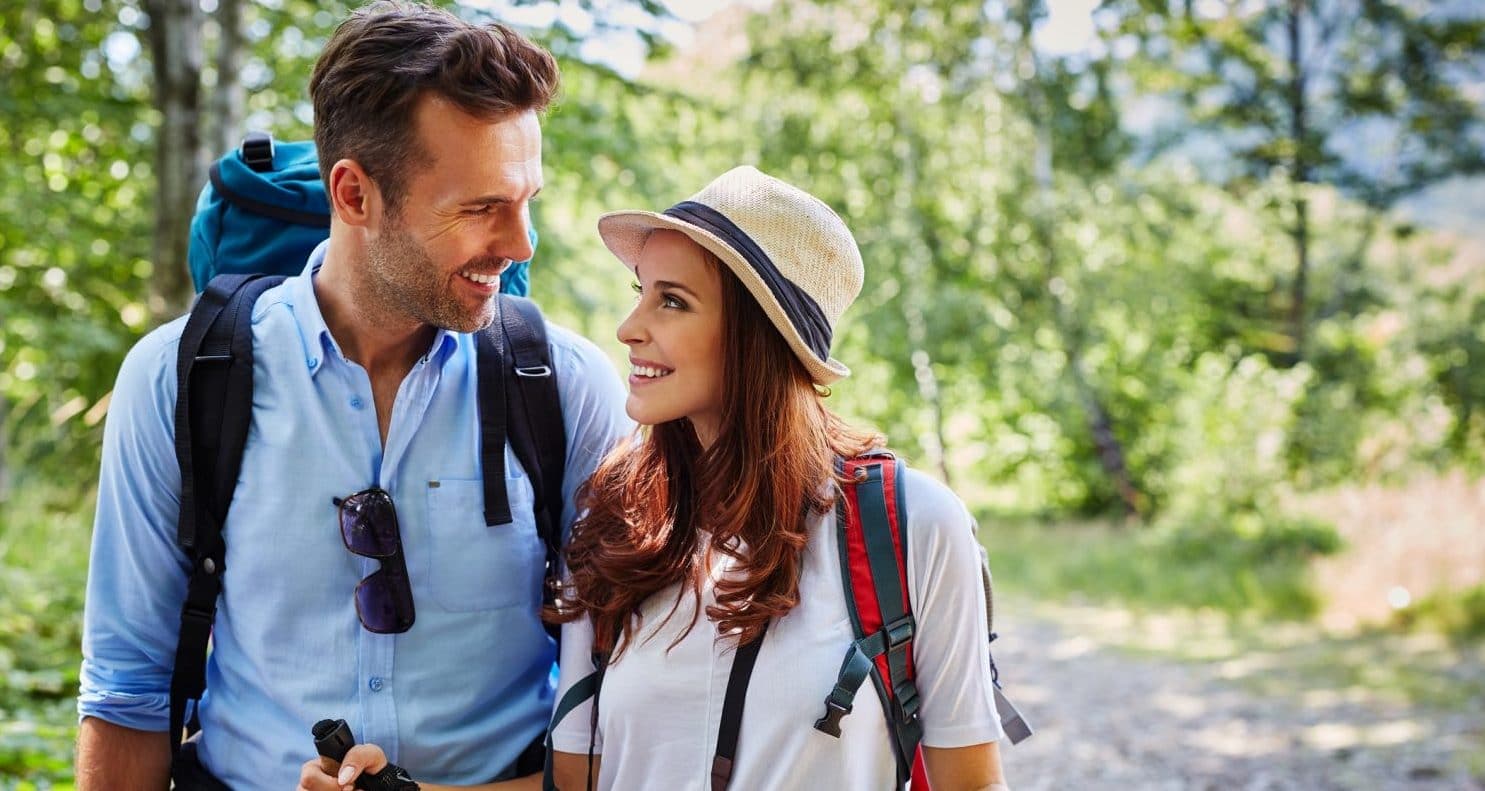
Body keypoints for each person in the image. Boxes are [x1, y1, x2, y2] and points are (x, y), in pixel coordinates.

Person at [74, 3, 629, 789]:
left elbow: (612, 711)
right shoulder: (178, 377)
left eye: (526, 198)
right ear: (354, 193)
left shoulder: (567, 388)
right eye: (479, 208)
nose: (520, 244)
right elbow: (127, 689)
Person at [311, 167, 1010, 790]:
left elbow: (969, 781)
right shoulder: (617, 521)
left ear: (757, 334)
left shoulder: (910, 526)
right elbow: (573, 784)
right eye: (640, 292)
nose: (627, 327)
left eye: (670, 301)